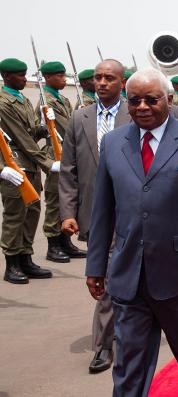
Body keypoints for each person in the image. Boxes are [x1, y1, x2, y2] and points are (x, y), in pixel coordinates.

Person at [85, 68, 178, 396]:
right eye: (134, 100)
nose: (143, 107)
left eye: (152, 99)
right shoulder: (113, 142)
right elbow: (103, 211)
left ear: (169, 99)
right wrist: (95, 266)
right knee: (128, 366)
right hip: (128, 279)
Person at [59, 59, 132, 373]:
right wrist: (67, 212)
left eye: (108, 78)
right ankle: (113, 339)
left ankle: (106, 345)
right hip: (94, 211)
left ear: (122, 83)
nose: (101, 83)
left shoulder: (137, 114)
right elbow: (68, 169)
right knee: (103, 275)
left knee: (115, 276)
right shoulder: (79, 118)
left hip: (130, 210)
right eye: (98, 78)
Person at [0, 58, 59, 284]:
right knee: (15, 215)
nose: (26, 79)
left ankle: (26, 258)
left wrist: (43, 127)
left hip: (29, 164)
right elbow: (22, 139)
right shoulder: (4, 103)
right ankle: (12, 263)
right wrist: (47, 162)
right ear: (7, 77)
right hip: (14, 164)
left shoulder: (22, 99)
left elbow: (30, 132)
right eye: (21, 75)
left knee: (32, 211)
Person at [36, 61, 86, 263]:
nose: (64, 79)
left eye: (64, 75)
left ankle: (65, 242)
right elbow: (54, 126)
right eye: (59, 75)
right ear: (47, 78)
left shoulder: (63, 99)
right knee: (55, 200)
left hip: (68, 151)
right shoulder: (45, 99)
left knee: (68, 199)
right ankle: (53, 246)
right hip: (54, 151)